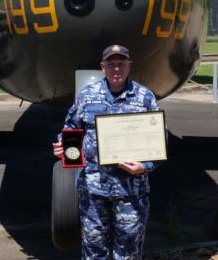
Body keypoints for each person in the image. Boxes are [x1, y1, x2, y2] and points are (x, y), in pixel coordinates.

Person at [52, 44, 160, 260]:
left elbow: (158, 141)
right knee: (94, 251)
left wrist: (145, 166)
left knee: (128, 252)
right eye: (111, 64)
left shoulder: (144, 98)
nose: (116, 69)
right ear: (103, 67)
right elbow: (72, 128)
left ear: (129, 66)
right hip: (93, 190)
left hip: (130, 191)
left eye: (121, 64)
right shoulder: (87, 96)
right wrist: (64, 148)